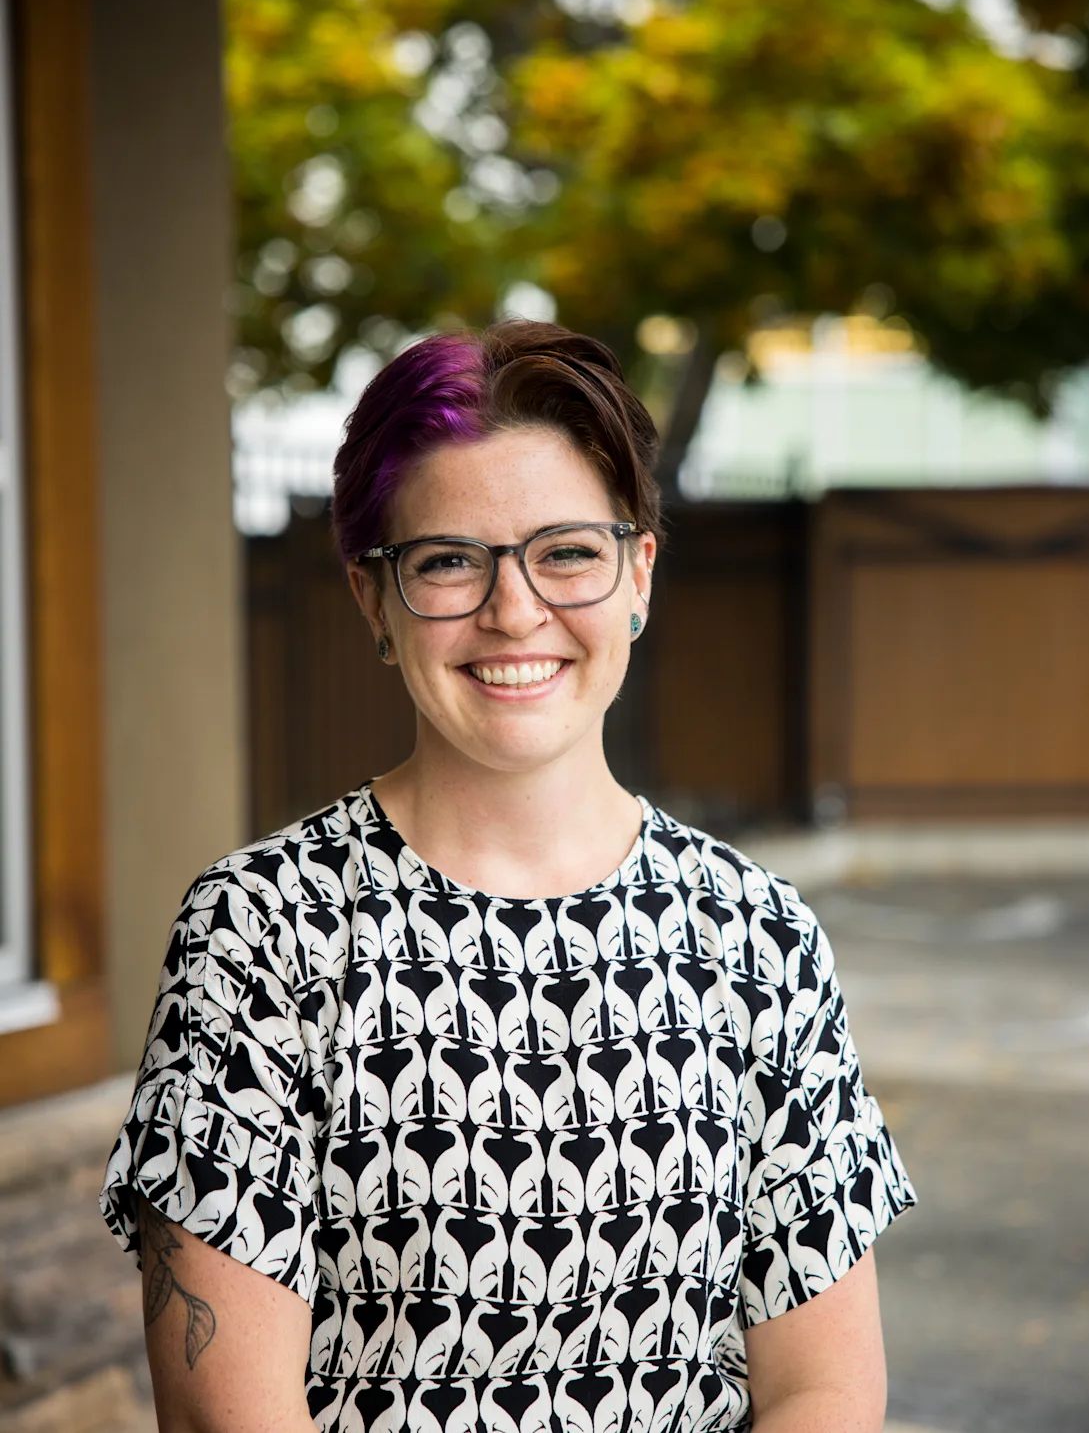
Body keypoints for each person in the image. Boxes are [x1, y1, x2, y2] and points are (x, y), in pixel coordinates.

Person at [101, 320, 914, 1433]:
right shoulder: (261, 933)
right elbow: (225, 1418)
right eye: (447, 560)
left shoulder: (756, 935)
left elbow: (825, 1387)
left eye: (567, 549)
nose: (515, 609)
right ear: (371, 599)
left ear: (638, 571)